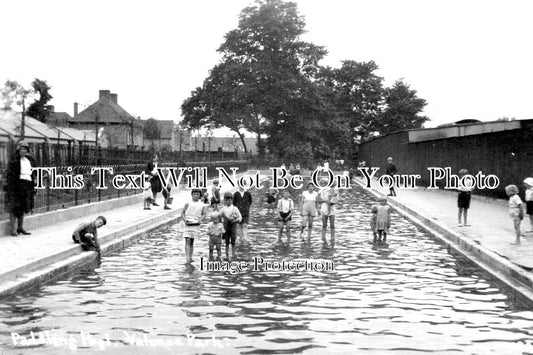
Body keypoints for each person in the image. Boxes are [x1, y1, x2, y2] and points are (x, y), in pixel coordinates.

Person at [4, 141, 36, 236]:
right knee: (14, 207)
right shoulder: (14, 160)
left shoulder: (29, 160)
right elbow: (10, 175)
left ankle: (20, 228)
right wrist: (11, 187)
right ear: (18, 149)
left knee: (23, 206)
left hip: (27, 184)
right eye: (21, 149)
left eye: (25, 149)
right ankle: (13, 230)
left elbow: (33, 172)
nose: (23, 151)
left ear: (27, 151)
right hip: (17, 185)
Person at [179, 189, 207, 263]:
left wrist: (200, 220)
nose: (196, 196)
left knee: (192, 240)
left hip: (195, 223)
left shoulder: (201, 204)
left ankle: (191, 257)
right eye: (194, 194)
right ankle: (188, 258)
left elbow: (204, 214)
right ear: (192, 195)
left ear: (200, 195)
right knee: (187, 239)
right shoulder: (188, 203)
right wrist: (185, 220)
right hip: (187, 222)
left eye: (197, 194)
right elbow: (182, 213)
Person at [220, 192, 242, 259]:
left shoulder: (235, 209)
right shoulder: (223, 209)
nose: (228, 202)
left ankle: (233, 253)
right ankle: (226, 254)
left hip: (233, 226)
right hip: (226, 226)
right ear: (224, 201)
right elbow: (219, 216)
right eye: (226, 200)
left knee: (233, 240)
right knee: (226, 240)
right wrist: (220, 222)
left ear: (232, 200)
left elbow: (240, 217)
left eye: (229, 200)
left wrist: (236, 220)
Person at [318, 178, 338, 246]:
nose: (323, 184)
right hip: (324, 208)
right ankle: (323, 238)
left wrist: (330, 201)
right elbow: (318, 201)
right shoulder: (320, 191)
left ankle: (332, 238)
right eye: (322, 183)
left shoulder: (331, 190)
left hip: (331, 207)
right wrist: (325, 201)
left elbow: (336, 199)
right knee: (324, 225)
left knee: (332, 225)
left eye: (324, 183)